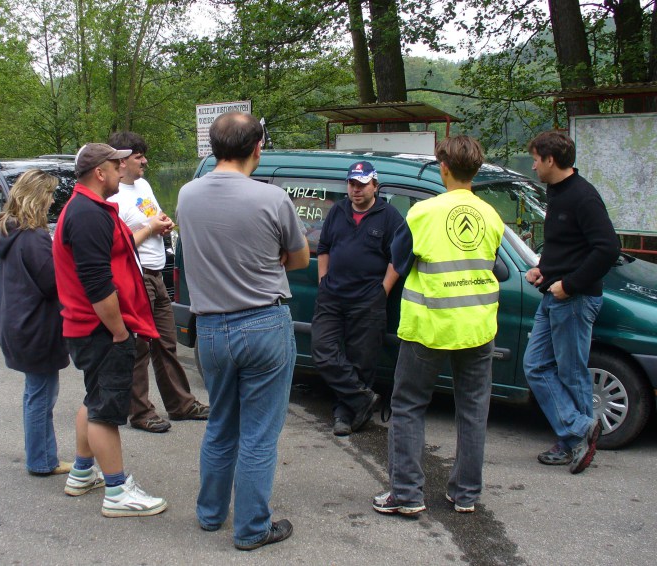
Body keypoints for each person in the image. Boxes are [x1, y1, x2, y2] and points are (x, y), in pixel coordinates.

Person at [176, 112, 309, 550]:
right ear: (257, 148)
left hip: (211, 328)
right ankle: (252, 528)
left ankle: (210, 514)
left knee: (220, 424)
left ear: (214, 148)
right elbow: (300, 258)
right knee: (259, 434)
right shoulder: (272, 199)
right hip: (263, 324)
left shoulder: (186, 195)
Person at [372, 135, 504, 516]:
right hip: (478, 326)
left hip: (429, 325)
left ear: (443, 168)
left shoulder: (423, 214)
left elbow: (400, 259)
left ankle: (407, 494)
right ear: (475, 171)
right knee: (474, 409)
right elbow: (492, 263)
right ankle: (465, 495)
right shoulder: (491, 216)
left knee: (409, 405)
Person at [53, 143, 167, 517]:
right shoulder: (87, 213)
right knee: (105, 411)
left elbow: (115, 254)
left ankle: (83, 473)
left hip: (95, 329)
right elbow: (96, 282)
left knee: (94, 398)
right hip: (100, 330)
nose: (123, 170)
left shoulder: (94, 208)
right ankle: (118, 492)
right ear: (100, 172)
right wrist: (119, 331)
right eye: (117, 165)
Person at [523, 131, 619, 474]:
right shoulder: (558, 192)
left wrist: (571, 284)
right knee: (535, 366)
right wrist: (543, 270)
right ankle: (578, 430)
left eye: (535, 159)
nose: (533, 165)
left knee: (571, 372)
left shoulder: (583, 196)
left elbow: (607, 248)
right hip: (555, 294)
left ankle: (574, 443)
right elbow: (567, 244)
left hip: (574, 300)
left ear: (550, 160)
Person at [107, 131, 210, 433]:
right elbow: (118, 245)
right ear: (121, 161)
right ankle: (140, 412)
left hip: (156, 273)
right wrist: (151, 228)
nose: (145, 161)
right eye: (139, 157)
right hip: (134, 277)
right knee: (139, 346)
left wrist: (161, 224)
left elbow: (152, 216)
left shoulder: (143, 185)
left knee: (166, 341)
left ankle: (181, 404)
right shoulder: (112, 197)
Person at [311, 160, 403, 437]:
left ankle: (344, 414)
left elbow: (398, 259)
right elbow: (324, 248)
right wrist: (323, 282)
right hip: (332, 296)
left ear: (375, 185)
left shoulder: (390, 216)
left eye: (362, 185)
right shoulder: (337, 211)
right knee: (323, 350)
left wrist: (382, 291)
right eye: (352, 184)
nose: (356, 190)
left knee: (361, 361)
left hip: (367, 300)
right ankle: (362, 397)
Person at [0, 169, 72, 476]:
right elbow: (53, 284)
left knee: (35, 392)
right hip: (34, 326)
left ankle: (42, 456)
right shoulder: (33, 238)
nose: (53, 201)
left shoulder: (9, 232)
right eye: (50, 195)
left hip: (15, 323)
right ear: (38, 198)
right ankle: (41, 460)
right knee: (42, 395)